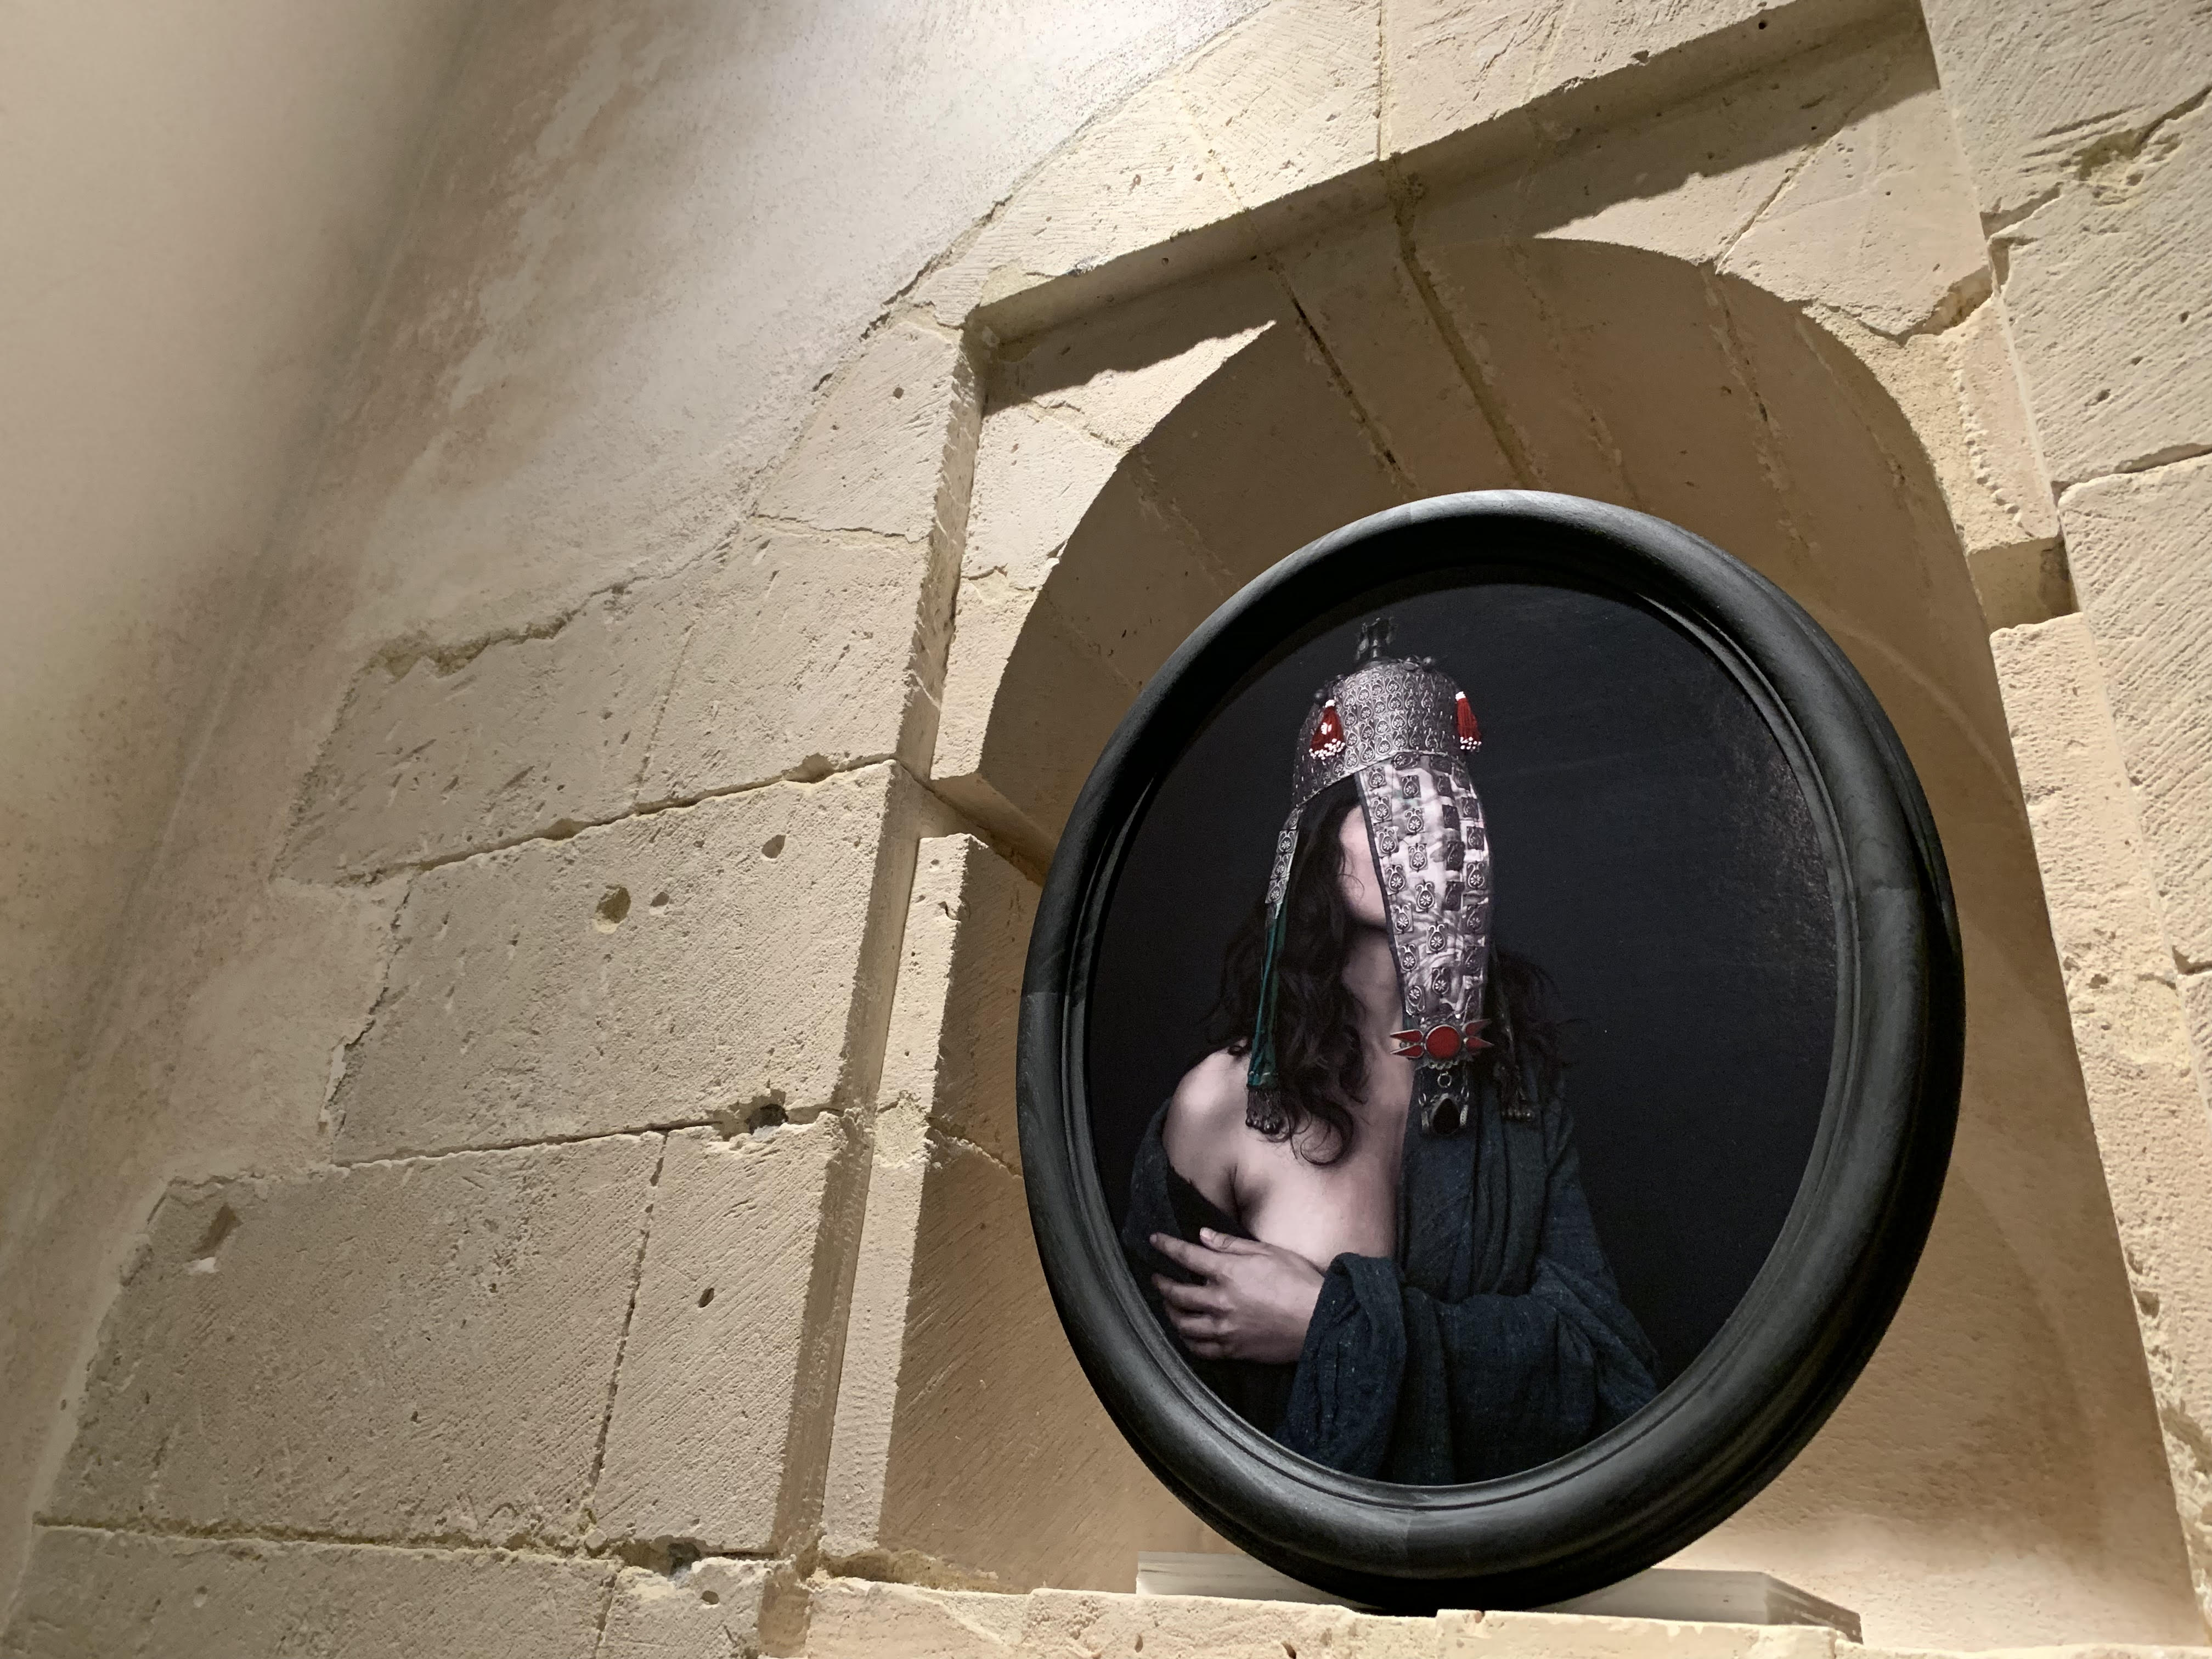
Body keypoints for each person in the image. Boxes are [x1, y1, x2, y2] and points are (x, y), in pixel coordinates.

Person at [1119, 620, 1658, 1484]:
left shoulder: (1515, 1092)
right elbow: (1165, 1416)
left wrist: (1326, 1322)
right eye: (1384, 802)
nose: (1424, 825)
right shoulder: (1222, 1104)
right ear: (1318, 842)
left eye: (1446, 798)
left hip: (1493, 1546)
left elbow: (1602, 1366)